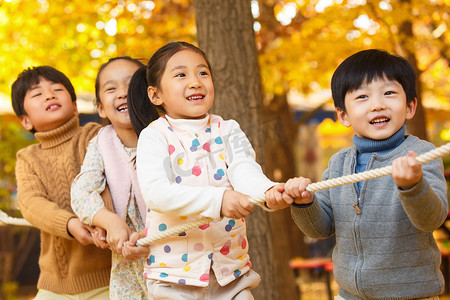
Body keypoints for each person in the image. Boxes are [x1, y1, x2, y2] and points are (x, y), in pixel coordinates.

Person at [266, 49, 448, 299]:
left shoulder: (421, 154)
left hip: (411, 295)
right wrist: (304, 203)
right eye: (362, 96)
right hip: (349, 295)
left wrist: (412, 186)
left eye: (389, 93)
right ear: (343, 115)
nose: (378, 104)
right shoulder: (339, 163)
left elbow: (432, 220)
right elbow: (321, 228)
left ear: (410, 106)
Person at [127, 41, 280, 300]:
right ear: (156, 95)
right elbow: (157, 193)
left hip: (232, 275)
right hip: (174, 279)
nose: (196, 81)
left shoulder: (229, 129)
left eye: (203, 73)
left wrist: (269, 191)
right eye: (181, 75)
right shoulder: (154, 136)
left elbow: (245, 170)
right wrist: (218, 200)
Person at [11, 66, 111, 298]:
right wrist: (69, 224)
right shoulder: (28, 158)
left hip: (109, 276)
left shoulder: (95, 136)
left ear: (75, 107)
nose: (49, 95)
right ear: (25, 121)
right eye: (37, 94)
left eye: (57, 89)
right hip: (55, 284)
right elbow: (31, 203)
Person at [71, 57, 151, 299]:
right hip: (128, 266)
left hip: (174, 256)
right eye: (111, 88)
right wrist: (108, 221)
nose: (122, 93)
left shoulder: (167, 135)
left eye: (131, 85)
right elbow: (82, 192)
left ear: (153, 94)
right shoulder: (101, 143)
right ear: (101, 108)